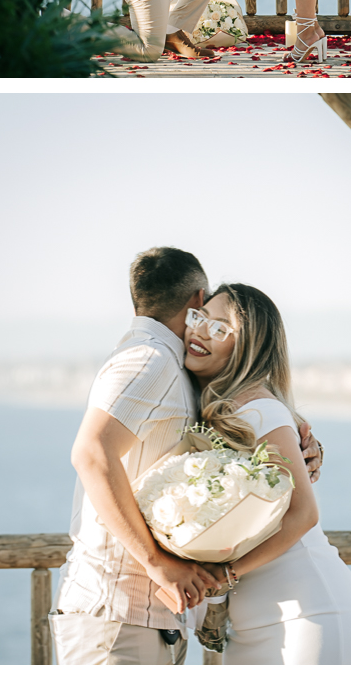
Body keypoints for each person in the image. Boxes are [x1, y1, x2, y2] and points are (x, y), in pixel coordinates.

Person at [49, 248, 322, 665]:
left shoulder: (177, 370)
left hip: (153, 617)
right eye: (205, 315)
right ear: (197, 299)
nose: (205, 329)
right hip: (117, 614)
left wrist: (299, 437)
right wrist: (157, 563)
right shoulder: (150, 359)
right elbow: (90, 452)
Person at [184, 284, 351, 665]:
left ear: (247, 348)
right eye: (200, 318)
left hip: (309, 613)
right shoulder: (209, 407)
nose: (199, 331)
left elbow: (304, 514)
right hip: (252, 624)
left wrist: (224, 573)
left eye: (220, 328)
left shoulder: (259, 411)